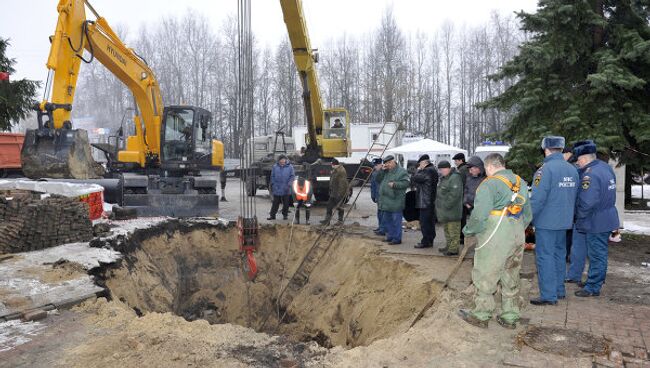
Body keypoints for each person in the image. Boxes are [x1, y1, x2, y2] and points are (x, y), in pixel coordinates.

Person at [459, 153, 532, 329]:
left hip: (496, 233)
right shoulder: (520, 182)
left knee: (486, 272)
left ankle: (481, 314)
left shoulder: (489, 184)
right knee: (511, 274)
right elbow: (528, 214)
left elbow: (479, 215)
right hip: (517, 231)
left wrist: (468, 231)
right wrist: (517, 230)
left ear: (489, 167)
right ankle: (510, 315)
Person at [529, 136, 579, 306]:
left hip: (546, 222)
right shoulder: (572, 169)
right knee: (559, 255)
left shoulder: (545, 170)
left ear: (545, 149)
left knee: (545, 257)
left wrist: (527, 219)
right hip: (565, 221)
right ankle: (559, 289)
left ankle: (549, 296)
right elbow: (576, 196)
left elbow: (537, 200)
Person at [572, 141, 619, 297]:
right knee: (597, 252)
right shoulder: (605, 168)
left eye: (578, 159)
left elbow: (587, 202)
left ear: (584, 158)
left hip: (596, 220)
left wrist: (579, 216)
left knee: (597, 254)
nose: (577, 163)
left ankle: (593, 287)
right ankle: (595, 279)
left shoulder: (590, 175)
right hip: (607, 216)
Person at [375, 155, 410, 245]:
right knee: (388, 221)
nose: (388, 165)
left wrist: (395, 184)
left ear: (394, 161)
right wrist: (381, 171)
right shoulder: (386, 171)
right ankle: (390, 236)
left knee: (396, 221)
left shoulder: (401, 171)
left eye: (389, 163)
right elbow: (378, 179)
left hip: (396, 201)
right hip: (386, 201)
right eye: (386, 163)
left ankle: (397, 238)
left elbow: (406, 183)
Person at [410, 154, 439, 248]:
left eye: (420, 164)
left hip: (425, 201)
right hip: (430, 200)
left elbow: (415, 178)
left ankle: (426, 241)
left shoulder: (427, 170)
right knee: (430, 221)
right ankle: (430, 239)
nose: (419, 166)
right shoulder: (433, 170)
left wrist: (417, 171)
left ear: (424, 162)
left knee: (424, 222)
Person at [435, 160, 463, 256]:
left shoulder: (455, 178)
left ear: (448, 168)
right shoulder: (445, 178)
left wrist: (446, 205)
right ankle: (449, 246)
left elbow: (455, 195)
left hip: (452, 210)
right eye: (440, 169)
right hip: (445, 211)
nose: (441, 171)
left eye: (443, 169)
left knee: (453, 231)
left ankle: (454, 249)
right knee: (447, 230)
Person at [321, 158, 348, 225]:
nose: (331, 166)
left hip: (338, 193)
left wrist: (340, 194)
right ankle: (327, 221)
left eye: (332, 165)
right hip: (333, 192)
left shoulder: (341, 171)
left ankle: (340, 221)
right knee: (329, 206)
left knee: (339, 207)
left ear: (335, 164)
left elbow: (343, 184)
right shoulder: (335, 170)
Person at [268, 155, 295, 220]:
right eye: (281, 160)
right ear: (279, 160)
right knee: (275, 203)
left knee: (286, 203)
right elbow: (272, 176)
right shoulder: (275, 167)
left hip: (286, 188)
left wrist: (289, 184)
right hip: (277, 188)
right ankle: (272, 215)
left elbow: (292, 176)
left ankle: (285, 215)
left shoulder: (290, 167)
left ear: (285, 160)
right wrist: (273, 184)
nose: (282, 162)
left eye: (283, 160)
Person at [370, 158, 385, 234]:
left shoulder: (384, 173)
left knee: (382, 213)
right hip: (377, 196)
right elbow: (373, 185)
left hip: (382, 196)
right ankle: (380, 227)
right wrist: (373, 195)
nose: (374, 167)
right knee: (379, 213)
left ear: (380, 164)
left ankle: (383, 229)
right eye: (374, 165)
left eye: (376, 165)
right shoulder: (375, 172)